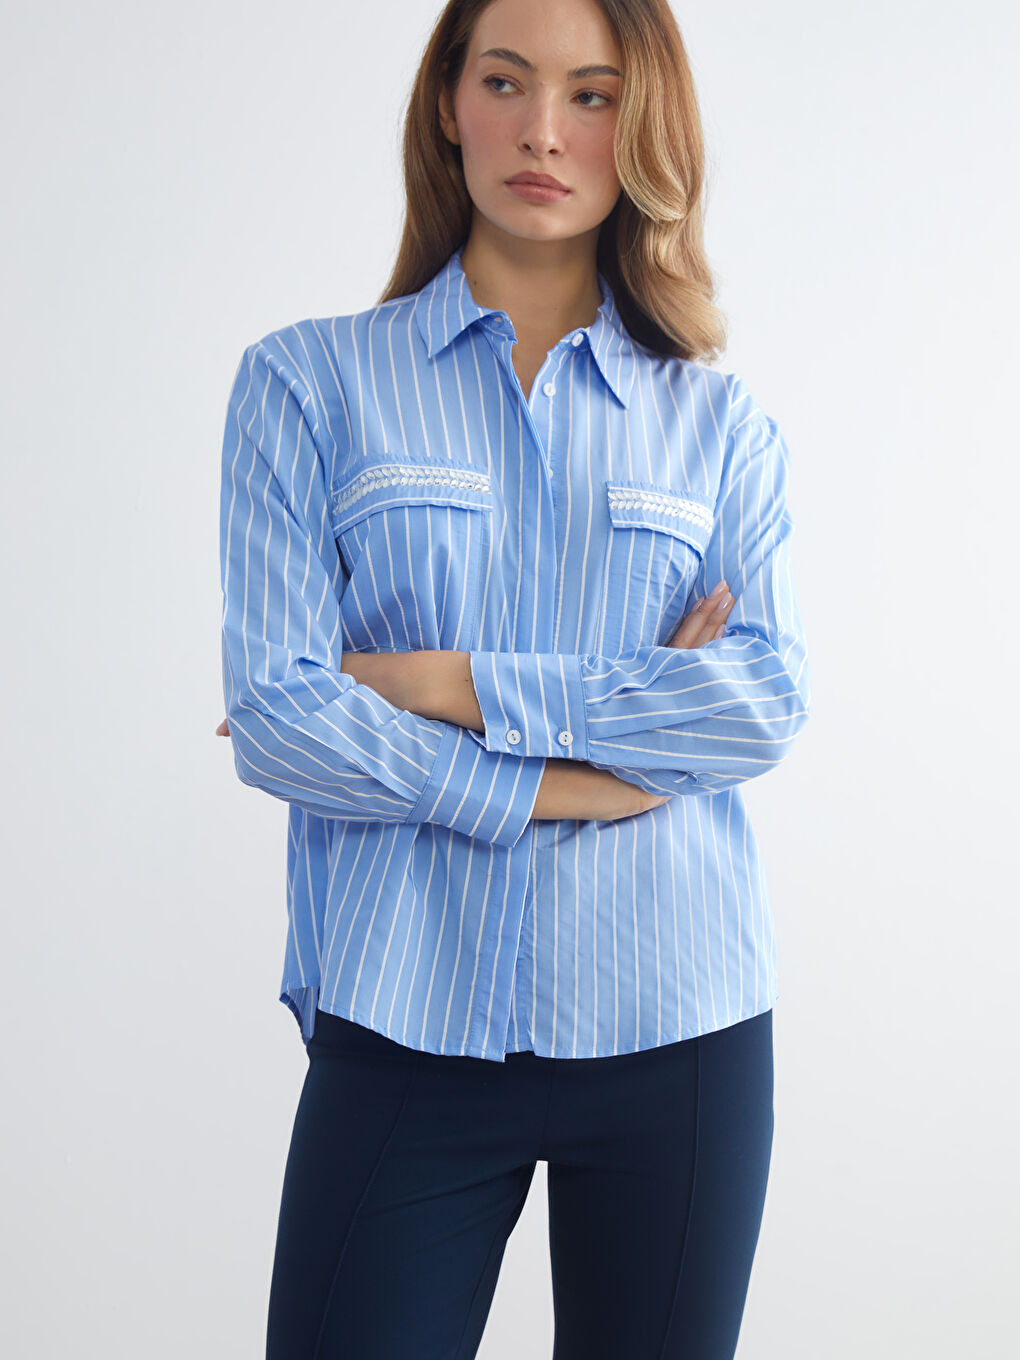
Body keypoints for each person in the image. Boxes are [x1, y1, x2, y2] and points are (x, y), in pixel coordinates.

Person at [216, 0, 811, 1355]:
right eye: (506, 81)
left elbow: (760, 700)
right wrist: (569, 781)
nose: (545, 131)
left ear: (644, 126)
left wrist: (444, 680)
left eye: (593, 95)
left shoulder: (720, 424)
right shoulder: (308, 385)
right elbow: (281, 716)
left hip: (681, 1024)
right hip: (404, 1018)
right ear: (448, 101)